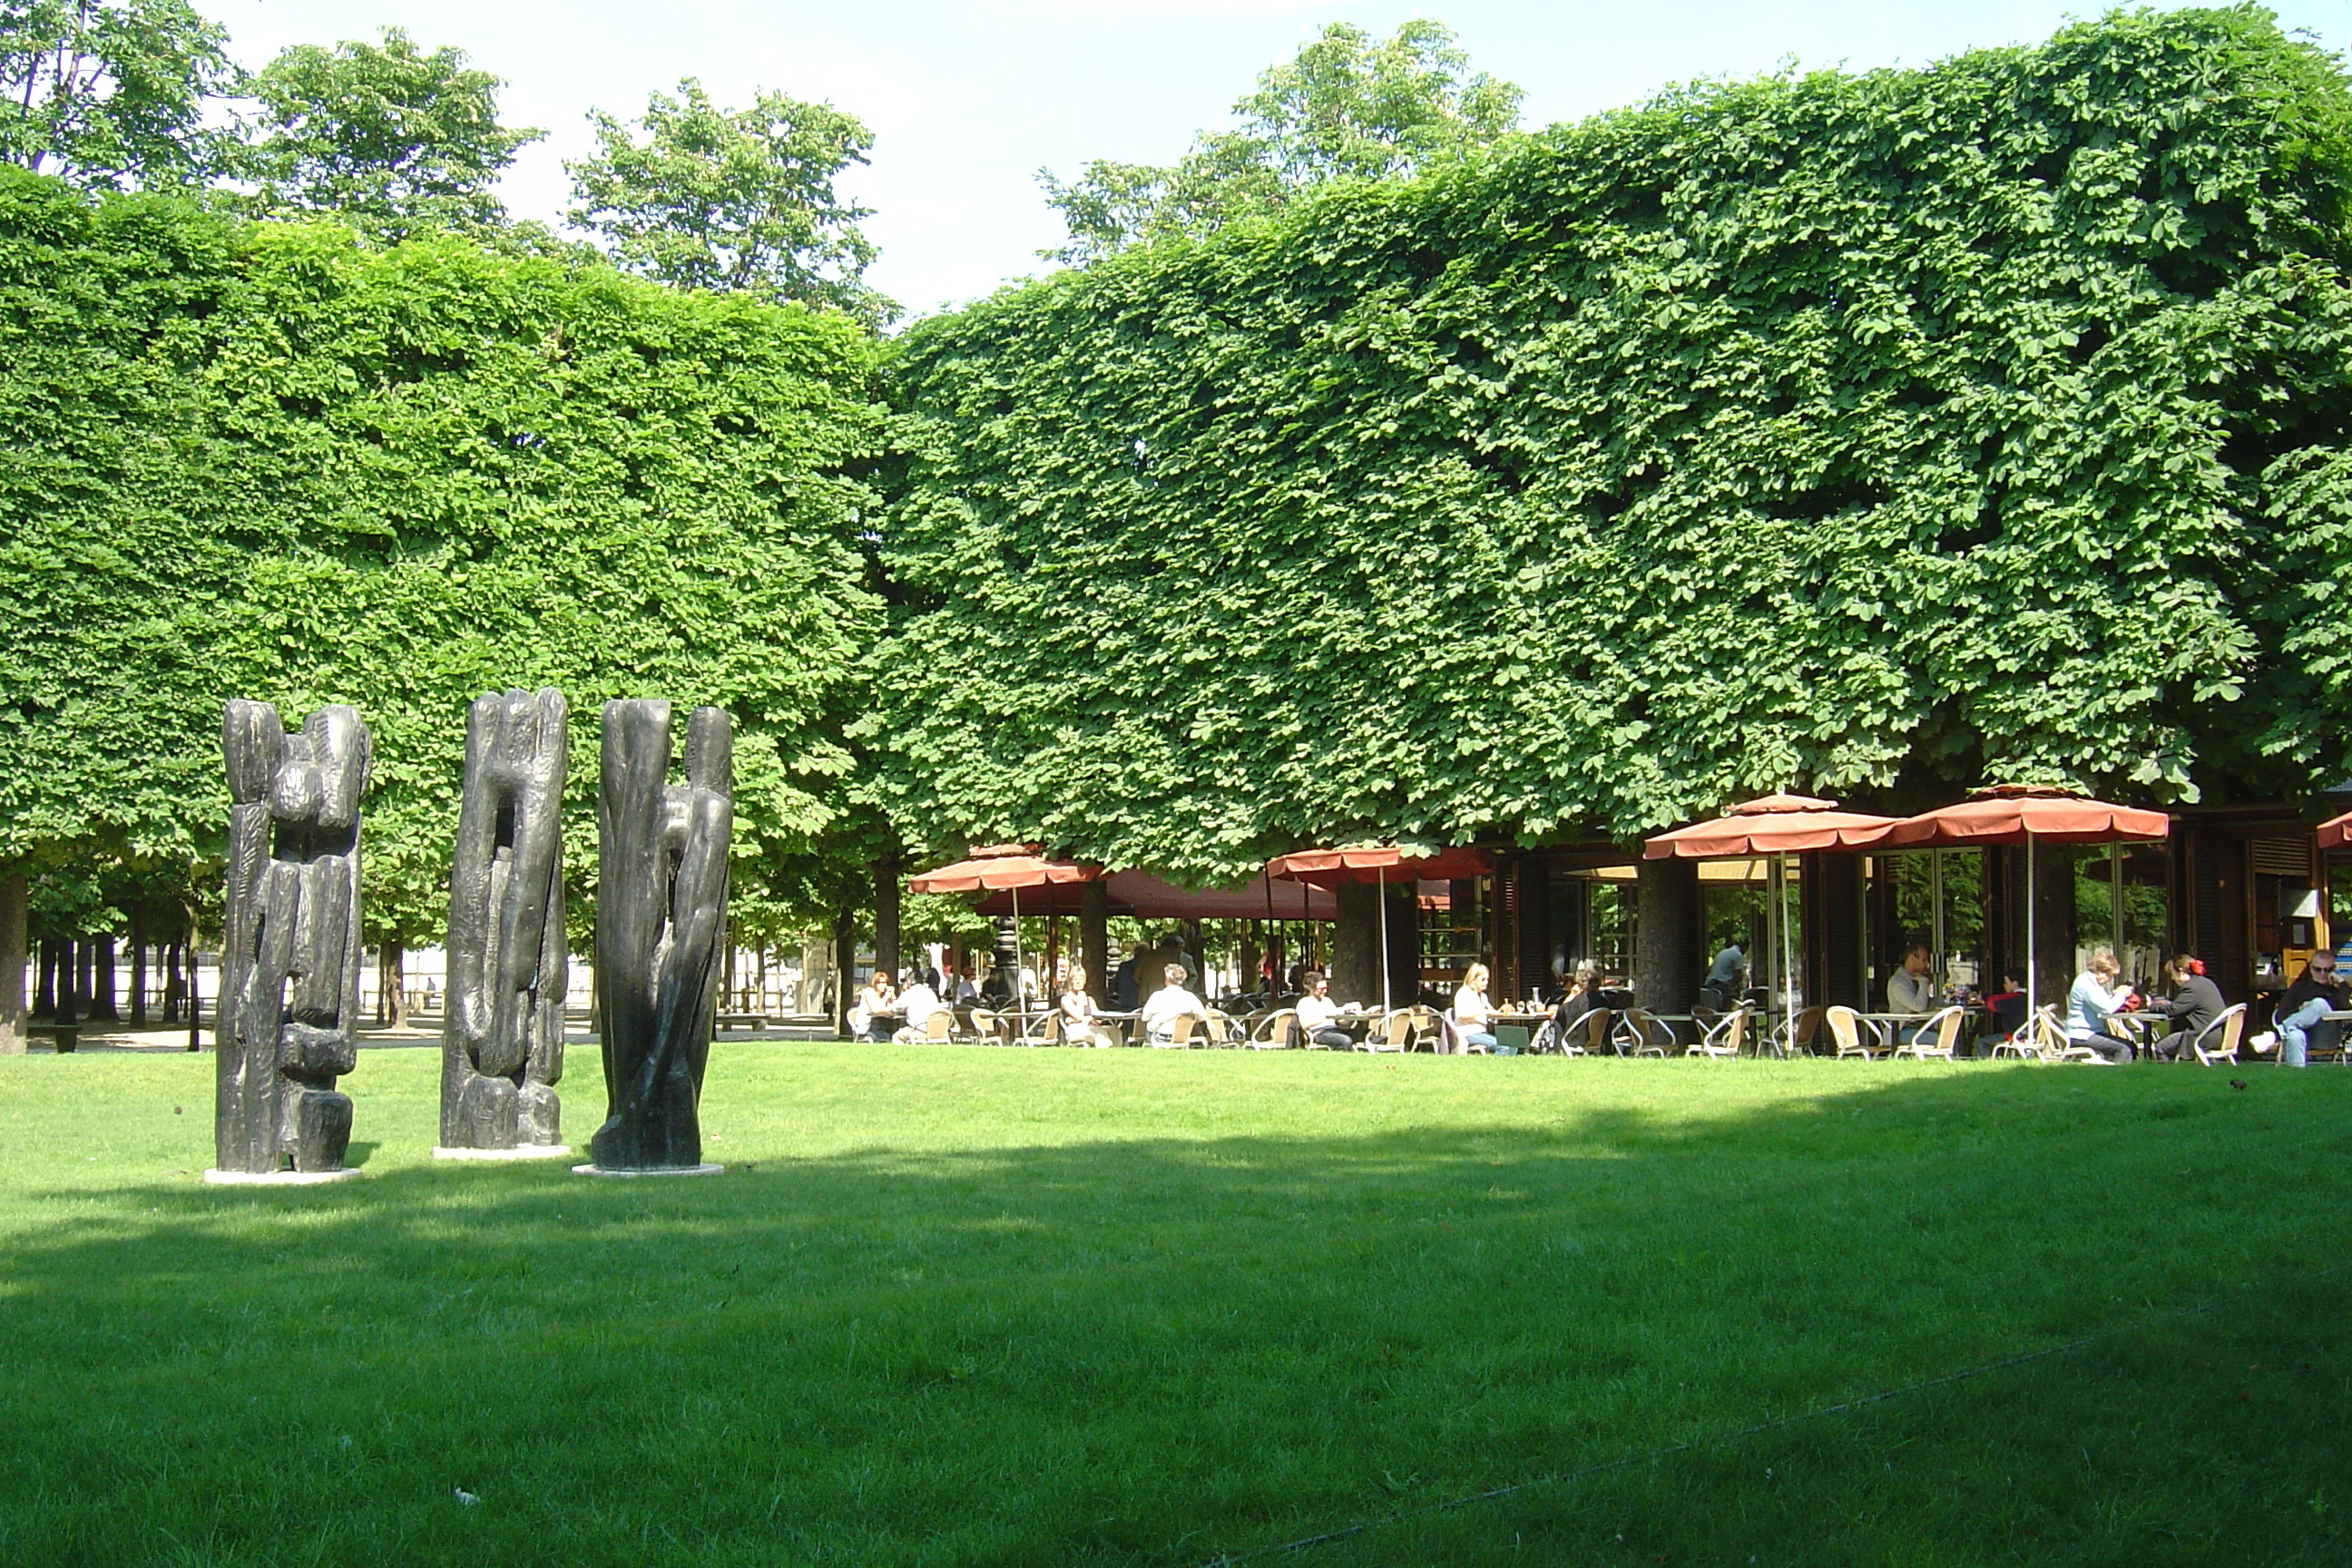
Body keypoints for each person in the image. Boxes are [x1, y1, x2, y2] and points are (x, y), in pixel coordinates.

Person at [2140, 952, 2226, 1061]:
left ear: (2180, 971)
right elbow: (2182, 1005)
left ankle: (2168, 1075)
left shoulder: (2191, 988)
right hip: (2215, 1034)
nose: (2172, 978)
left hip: (2202, 1036)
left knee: (2160, 1047)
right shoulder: (2205, 983)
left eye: (2172, 973)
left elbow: (2173, 1010)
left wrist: (2152, 1006)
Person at [2273, 952, 2346, 1068]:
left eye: (2328, 969)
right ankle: (2296, 1079)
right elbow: (2281, 1015)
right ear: (2311, 968)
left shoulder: (2337, 991)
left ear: (2333, 969)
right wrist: (2300, 1009)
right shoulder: (2299, 987)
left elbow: (2346, 1009)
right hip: (2303, 1036)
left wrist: (2342, 982)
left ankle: (2276, 1034)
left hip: (2326, 1037)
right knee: (2294, 1035)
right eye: (2318, 969)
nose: (2322, 973)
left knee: (2319, 1003)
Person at [2063, 946, 2133, 1063]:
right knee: (2123, 1049)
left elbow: (2103, 1003)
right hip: (2081, 1035)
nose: (2110, 980)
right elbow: (2107, 1009)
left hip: (2092, 1032)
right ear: (2101, 972)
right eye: (2110, 975)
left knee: (2130, 1046)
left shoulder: (2092, 983)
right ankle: (2120, 1077)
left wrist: (2116, 994)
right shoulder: (2085, 984)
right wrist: (2121, 994)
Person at [1139, 962, 1208, 1045]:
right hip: (1184, 1037)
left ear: (1167, 978)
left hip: (1160, 1037)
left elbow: (1145, 1018)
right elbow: (1202, 1017)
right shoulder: (1190, 997)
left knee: (1149, 1028)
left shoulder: (1157, 996)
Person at [1056, 964, 1116, 1047]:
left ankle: (1117, 1054)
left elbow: (1097, 1017)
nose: (1078, 982)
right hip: (1074, 1030)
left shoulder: (1089, 1000)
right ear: (1070, 981)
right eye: (1075, 979)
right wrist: (1080, 998)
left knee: (1114, 1030)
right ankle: (1104, 1055)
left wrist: (1091, 1020)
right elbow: (1078, 1015)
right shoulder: (1066, 999)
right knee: (1100, 1033)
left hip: (1090, 1027)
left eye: (1080, 979)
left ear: (1084, 981)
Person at [1452, 961, 1501, 1054]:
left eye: (1487, 979)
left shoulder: (1482, 996)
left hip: (1480, 1031)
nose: (1486, 982)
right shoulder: (1464, 993)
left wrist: (1502, 1011)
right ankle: (1497, 1067)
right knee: (1503, 1046)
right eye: (1483, 979)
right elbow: (1461, 1016)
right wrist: (1481, 1012)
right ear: (1473, 979)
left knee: (1510, 1043)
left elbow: (1491, 1012)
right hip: (1467, 1033)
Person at [1294, 970, 1352, 1048]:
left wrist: (1350, 1014)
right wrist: (1327, 1016)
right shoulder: (1304, 1002)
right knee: (1346, 1040)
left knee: (1360, 1035)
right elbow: (1304, 1024)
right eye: (1321, 988)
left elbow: (1339, 1021)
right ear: (1311, 988)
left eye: (1326, 988)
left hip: (1334, 1029)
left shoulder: (1327, 1000)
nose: (1325, 991)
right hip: (1319, 1033)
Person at [892, 973, 944, 1043]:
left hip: (920, 1031)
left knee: (896, 1037)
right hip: (937, 1030)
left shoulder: (909, 993)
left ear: (908, 982)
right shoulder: (930, 992)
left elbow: (895, 1007)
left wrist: (902, 991)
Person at [1700, 942, 1746, 1010]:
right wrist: (1737, 990)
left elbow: (1708, 970)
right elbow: (1737, 975)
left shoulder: (1723, 952)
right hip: (1721, 984)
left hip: (1709, 983)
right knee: (1733, 1004)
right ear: (1745, 947)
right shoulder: (1738, 955)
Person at [1112, 942, 1144, 1012]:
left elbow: (1114, 985)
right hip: (1140, 1003)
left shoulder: (1124, 966)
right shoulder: (1147, 968)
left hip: (1124, 1001)